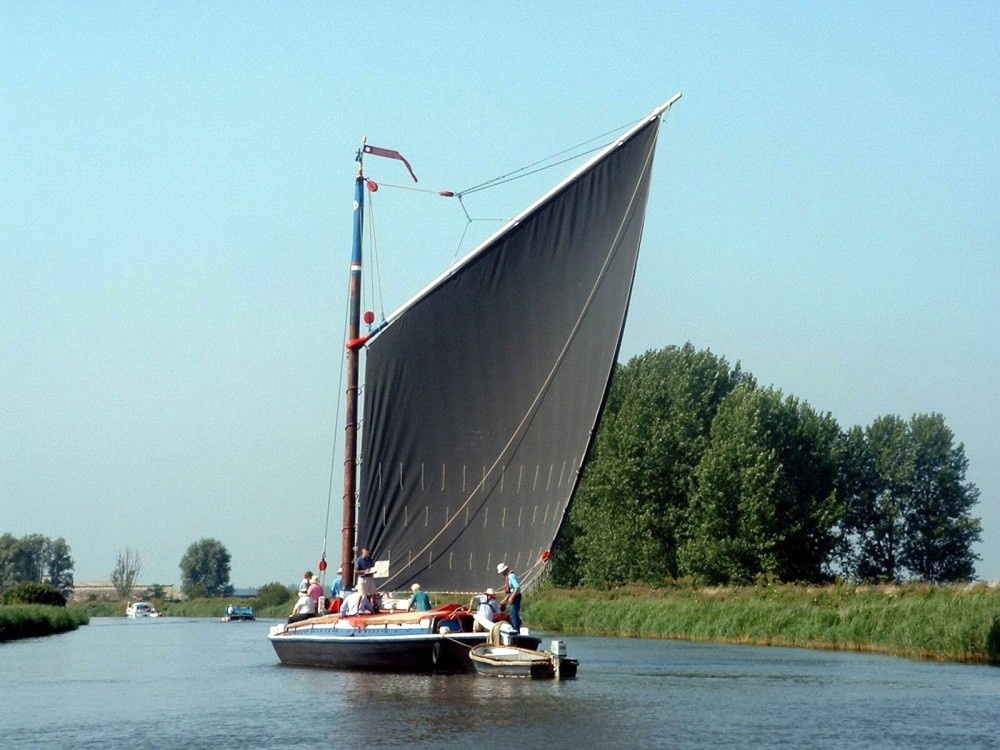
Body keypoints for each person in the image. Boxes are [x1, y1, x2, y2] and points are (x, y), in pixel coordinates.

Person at [497, 563, 522, 632]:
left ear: (504, 570)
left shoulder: (511, 576)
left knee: (514, 614)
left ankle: (516, 631)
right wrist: (505, 600)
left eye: (502, 572)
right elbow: (510, 590)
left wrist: (512, 597)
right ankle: (514, 629)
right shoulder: (508, 577)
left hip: (515, 597)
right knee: (512, 614)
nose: (501, 573)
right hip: (513, 596)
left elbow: (517, 587)